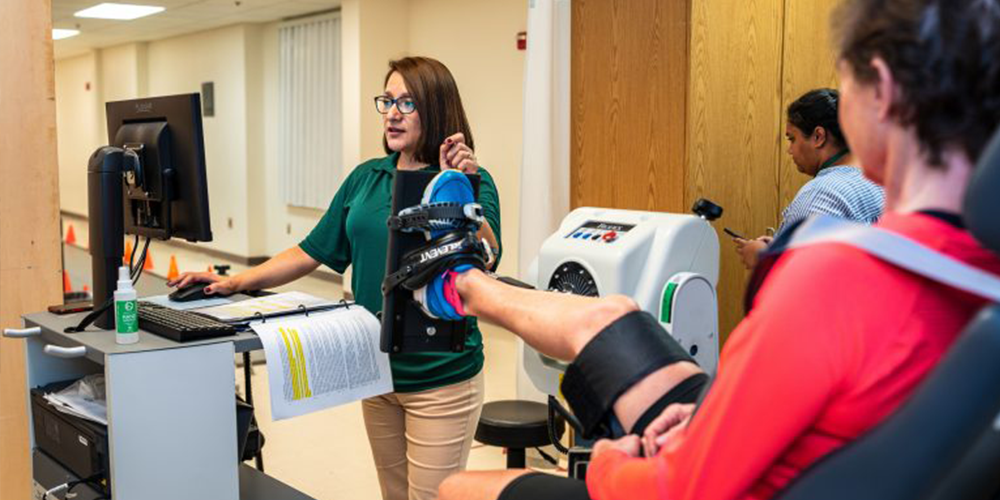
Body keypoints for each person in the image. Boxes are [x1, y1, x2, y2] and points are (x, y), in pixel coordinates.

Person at [428, 0, 1000, 499]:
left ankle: (454, 281)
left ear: (883, 91)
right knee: (615, 314)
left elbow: (680, 489)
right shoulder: (974, 276)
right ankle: (469, 285)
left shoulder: (838, 277)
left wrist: (610, 461)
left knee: (458, 488)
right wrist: (707, 416)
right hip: (788, 444)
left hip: (721, 484)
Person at [170, 56, 503, 500]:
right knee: (394, 494)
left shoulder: (471, 184)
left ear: (437, 110)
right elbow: (310, 250)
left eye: (407, 103)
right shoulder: (366, 178)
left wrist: (463, 186)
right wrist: (237, 281)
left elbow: (489, 254)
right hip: (377, 369)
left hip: (440, 377)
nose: (392, 113)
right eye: (388, 100)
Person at [735, 88, 884, 269]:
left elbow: (799, 276)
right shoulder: (879, 183)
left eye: (792, 139)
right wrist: (780, 246)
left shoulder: (820, 194)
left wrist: (761, 257)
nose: (790, 150)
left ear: (818, 137)